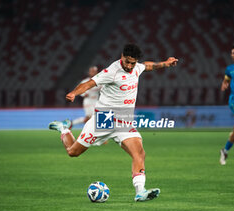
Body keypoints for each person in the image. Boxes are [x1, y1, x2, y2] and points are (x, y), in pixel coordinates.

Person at [49, 43, 178, 201]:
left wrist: (165, 63)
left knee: (139, 153)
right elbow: (89, 83)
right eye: (127, 62)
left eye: (133, 62)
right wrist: (74, 92)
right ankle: (64, 129)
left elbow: (147, 66)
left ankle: (140, 192)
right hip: (105, 119)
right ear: (122, 57)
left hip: (124, 120)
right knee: (73, 152)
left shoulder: (136, 67)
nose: (130, 66)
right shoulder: (111, 71)